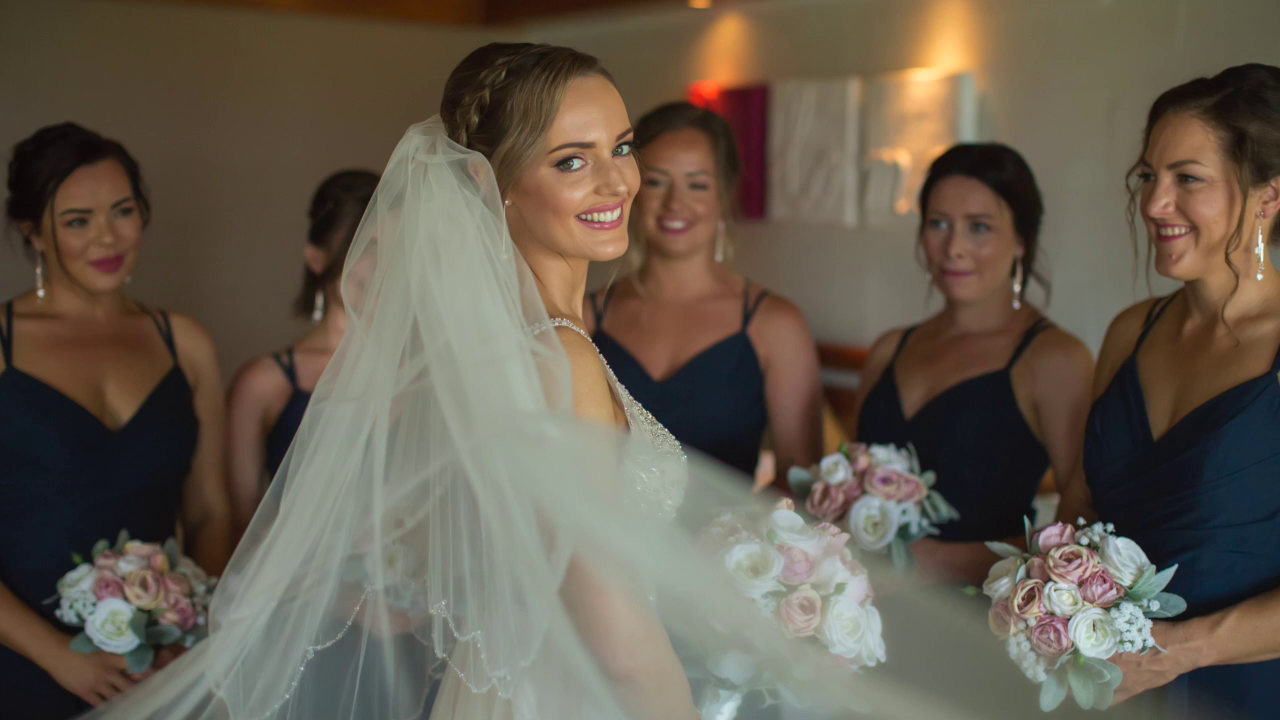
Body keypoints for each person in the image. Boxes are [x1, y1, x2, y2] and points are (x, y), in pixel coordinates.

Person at [80, 44, 1086, 720]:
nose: (620, 185)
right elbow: (610, 634)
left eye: (620, 150)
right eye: (573, 162)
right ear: (493, 187)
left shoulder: (524, 345)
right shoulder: (551, 354)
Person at [1059, 64, 1280, 720]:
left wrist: (1181, 649)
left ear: (1269, 196)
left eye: (1187, 179)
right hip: (1109, 693)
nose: (1155, 204)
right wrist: (1043, 600)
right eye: (1148, 177)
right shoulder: (1132, 331)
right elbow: (1079, 502)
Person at [0, 123, 231, 719]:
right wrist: (59, 657)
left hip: (158, 670)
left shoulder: (184, 343)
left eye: (122, 211)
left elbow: (209, 511)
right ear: (34, 232)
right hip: (21, 669)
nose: (107, 236)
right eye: (77, 220)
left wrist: (190, 630)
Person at [853, 144, 1093, 585]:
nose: (954, 248)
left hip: (983, 620)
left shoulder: (1054, 359)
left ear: (1021, 240)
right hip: (862, 612)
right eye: (938, 224)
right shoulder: (890, 348)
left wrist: (928, 564)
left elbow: (1083, 532)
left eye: (979, 227)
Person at [585, 101, 823, 485]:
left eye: (697, 184)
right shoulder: (586, 315)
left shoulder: (775, 324)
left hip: (733, 543)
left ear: (724, 196)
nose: (675, 203)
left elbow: (803, 486)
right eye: (657, 181)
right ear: (631, 190)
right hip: (602, 544)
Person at [225, 170, 378, 538]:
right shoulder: (263, 382)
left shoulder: (429, 373)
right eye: (367, 248)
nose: (384, 265)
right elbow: (241, 526)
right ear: (316, 258)